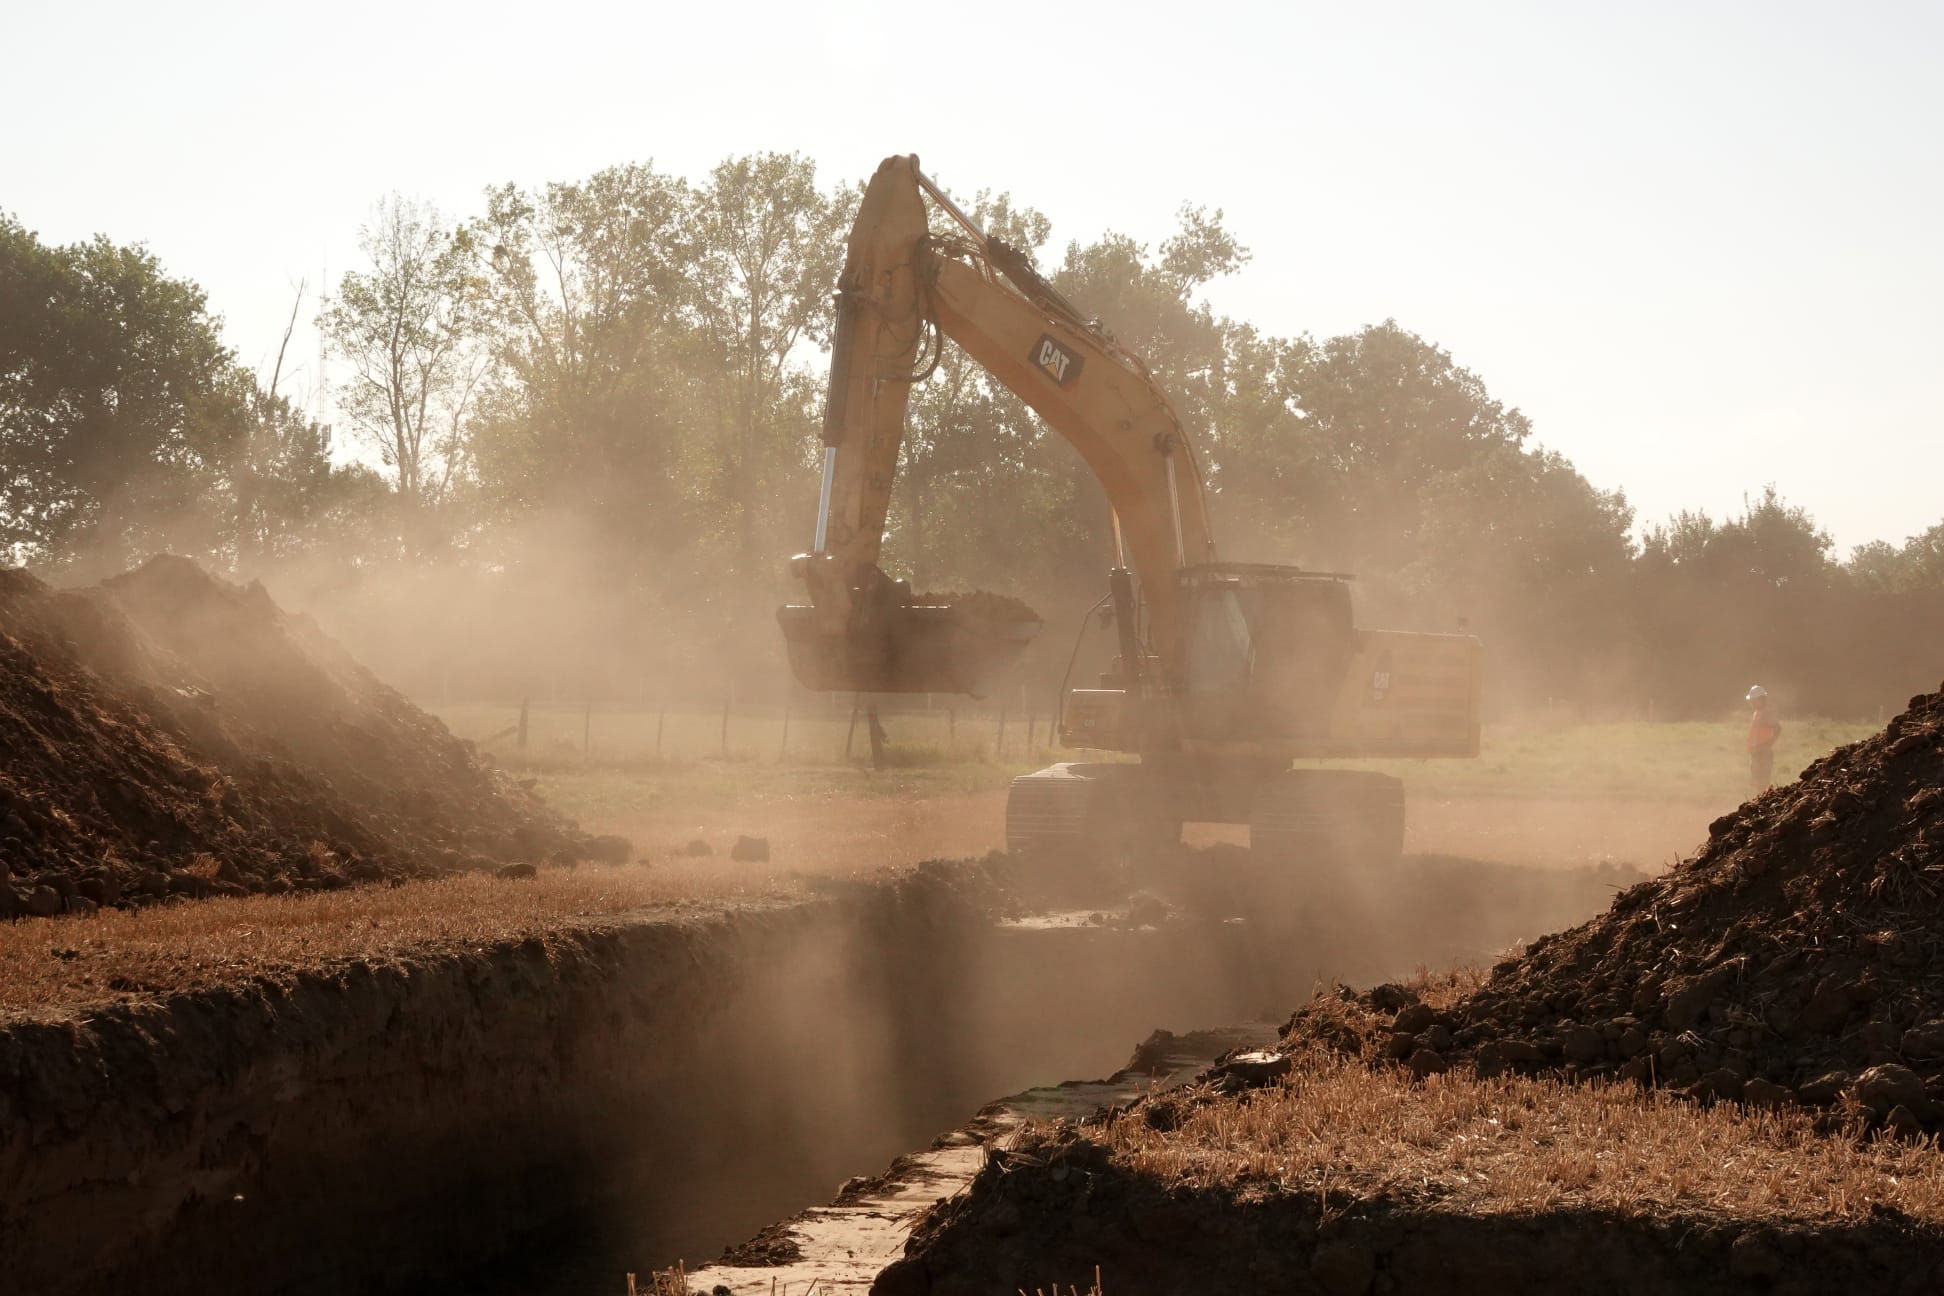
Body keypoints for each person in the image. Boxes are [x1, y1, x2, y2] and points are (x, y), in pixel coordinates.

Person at [1745, 685, 1782, 792]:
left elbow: (1778, 728)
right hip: (1756, 752)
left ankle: (1763, 802)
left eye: (1753, 700)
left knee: (1762, 782)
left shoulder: (1766, 713)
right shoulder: (1758, 712)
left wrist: (1769, 744)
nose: (1751, 703)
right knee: (1756, 781)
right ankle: (1759, 801)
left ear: (1760, 699)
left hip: (1763, 753)